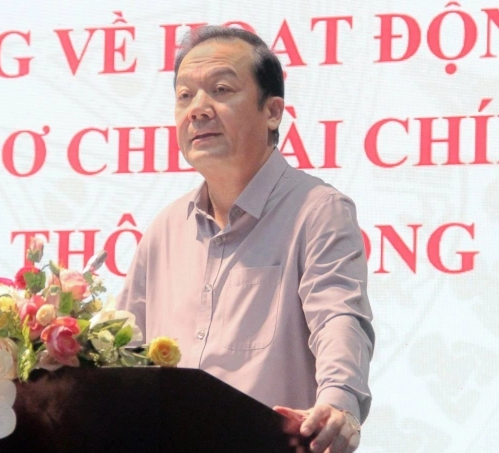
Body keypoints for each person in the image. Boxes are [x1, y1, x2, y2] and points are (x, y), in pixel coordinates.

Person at [117, 25, 374, 453]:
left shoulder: (317, 210)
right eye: (184, 96)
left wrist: (338, 401)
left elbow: (339, 318)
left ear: (272, 112)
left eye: (220, 90)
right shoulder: (166, 228)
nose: (197, 109)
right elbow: (123, 352)